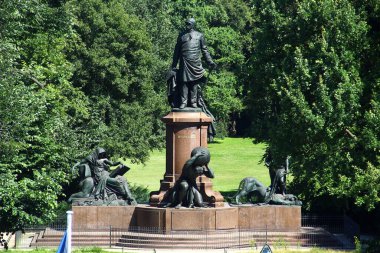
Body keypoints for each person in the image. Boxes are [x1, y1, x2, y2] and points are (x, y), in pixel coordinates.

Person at [171, 18, 216, 109]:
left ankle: (193, 102)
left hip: (195, 63)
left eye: (189, 23)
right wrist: (174, 64)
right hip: (184, 62)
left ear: (193, 24)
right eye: (186, 23)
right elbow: (177, 51)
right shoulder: (181, 35)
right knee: (184, 82)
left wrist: (210, 62)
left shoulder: (199, 35)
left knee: (194, 83)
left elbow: (205, 50)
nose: (187, 25)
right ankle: (183, 102)